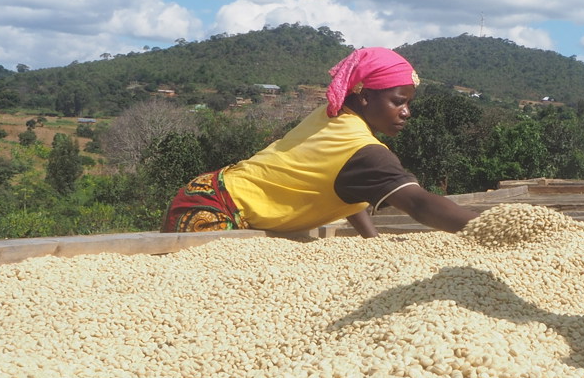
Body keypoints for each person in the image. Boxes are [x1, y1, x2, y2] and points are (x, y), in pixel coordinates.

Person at [161, 47, 478, 237]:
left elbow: (345, 191)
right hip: (215, 211)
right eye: (398, 101)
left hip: (207, 191)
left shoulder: (335, 115)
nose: (406, 112)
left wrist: (372, 242)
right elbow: (419, 204)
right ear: (364, 96)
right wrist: (491, 226)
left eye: (408, 103)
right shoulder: (363, 150)